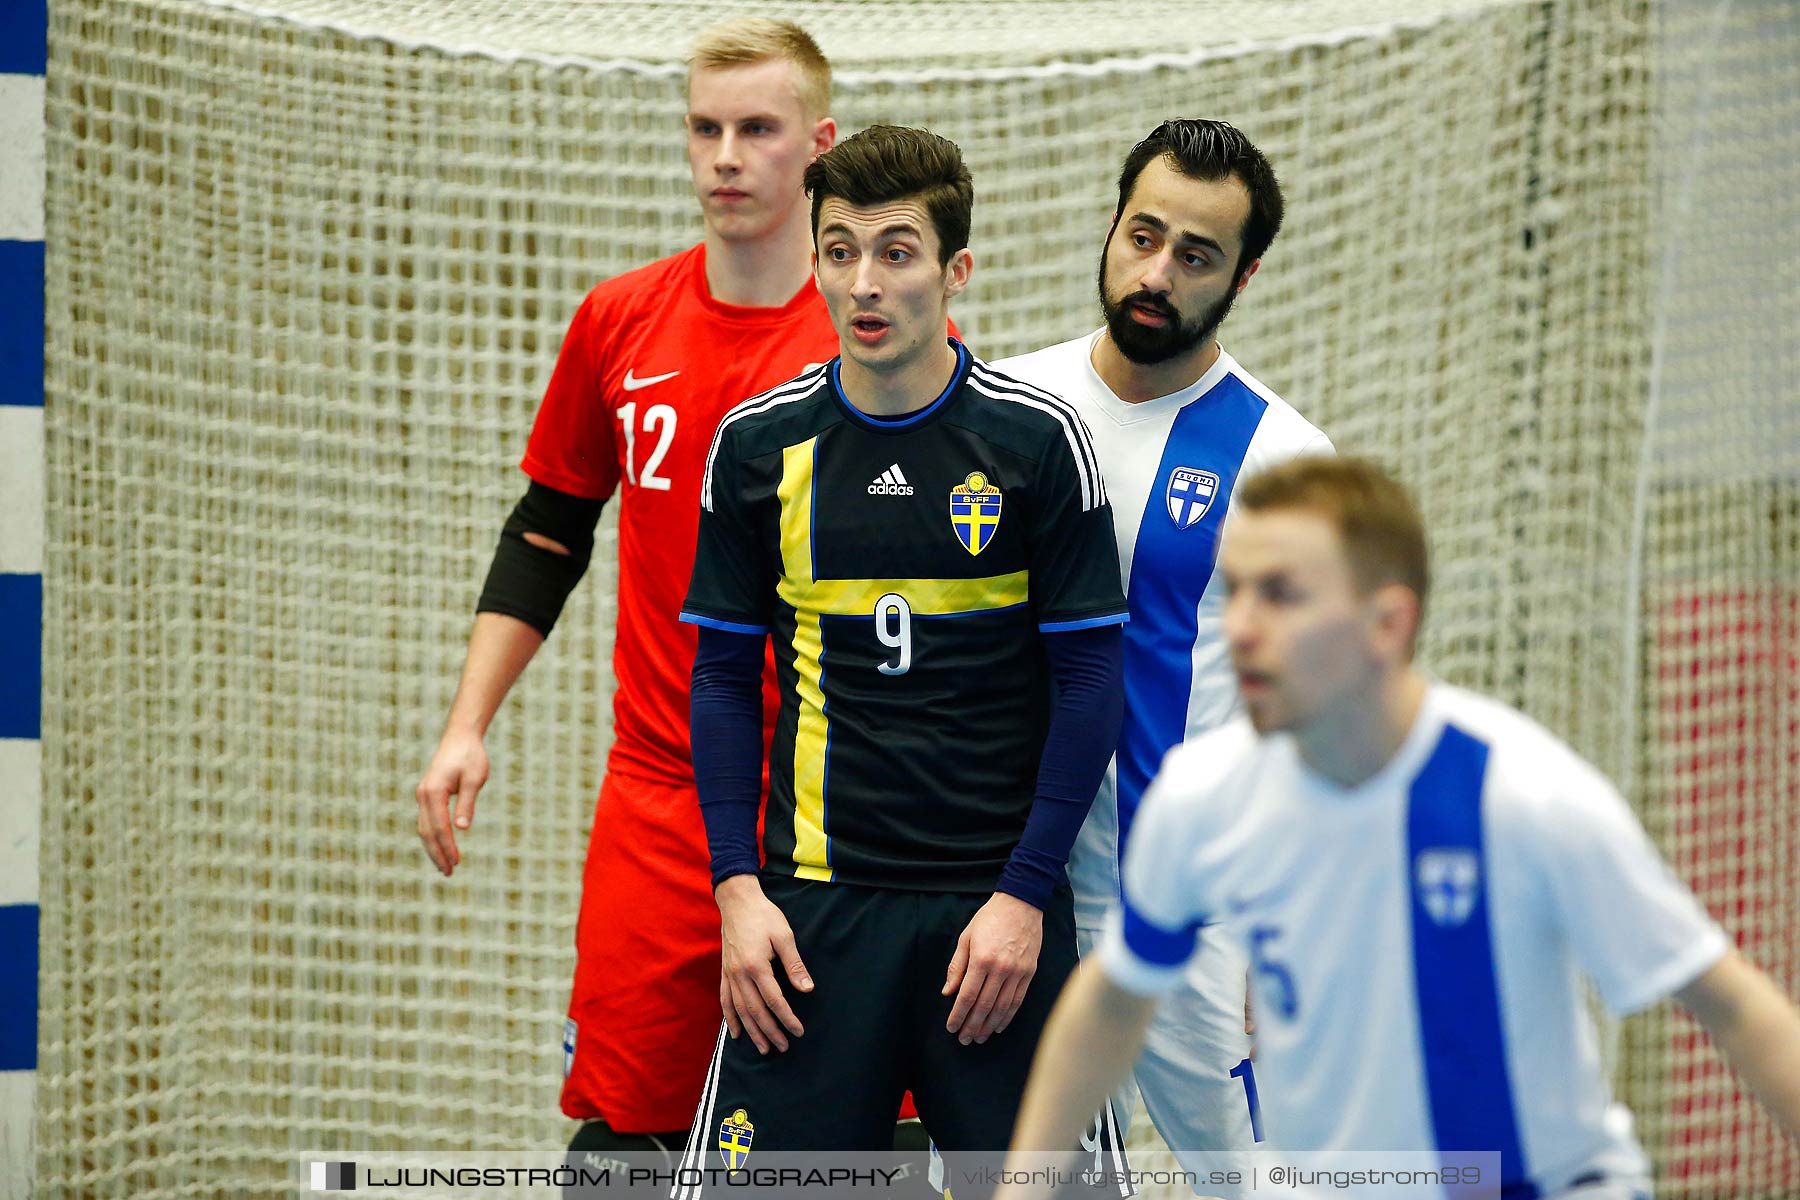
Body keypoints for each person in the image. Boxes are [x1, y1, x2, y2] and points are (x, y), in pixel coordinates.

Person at [1001, 457, 1800, 1199]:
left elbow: (1730, 1005)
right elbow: (1111, 1002)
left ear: (1388, 623)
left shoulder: (1526, 796)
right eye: (1233, 590)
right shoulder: (1202, 800)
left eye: (1280, 594)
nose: (1240, 625)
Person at [411, 18, 853, 1166]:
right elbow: (548, 531)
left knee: (832, 1139)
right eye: (705, 128)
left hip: (834, 807)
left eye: (758, 129)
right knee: (629, 1137)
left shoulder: (881, 343)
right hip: (660, 803)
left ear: (819, 145)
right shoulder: (620, 323)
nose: (725, 155)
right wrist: (467, 727)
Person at [674, 124, 1130, 1192]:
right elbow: (723, 680)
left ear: (954, 269)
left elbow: (1090, 684)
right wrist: (737, 891)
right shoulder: (758, 447)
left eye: (897, 250)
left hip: (995, 922)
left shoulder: (1035, 444)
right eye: (839, 250)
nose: (864, 283)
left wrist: (1024, 896)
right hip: (809, 920)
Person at [998, 119, 1330, 1183]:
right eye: (1144, 236)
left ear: (1244, 275)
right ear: (1110, 227)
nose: (1158, 273)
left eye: (1196, 257)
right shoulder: (1006, 412)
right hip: (1017, 899)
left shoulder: (1286, 463)